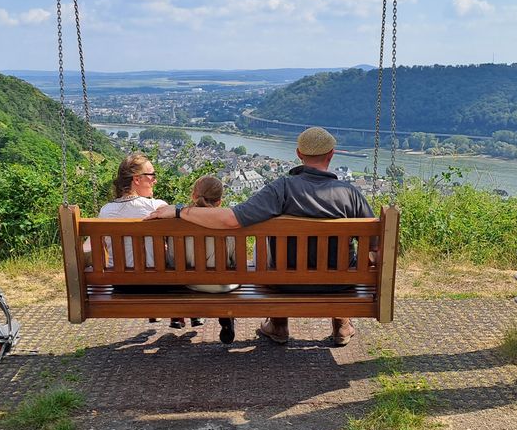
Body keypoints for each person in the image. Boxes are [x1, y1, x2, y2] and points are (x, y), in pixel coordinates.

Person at [146, 126, 372, 346]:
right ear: (331, 154)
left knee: (275, 258)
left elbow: (231, 219)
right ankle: (342, 323)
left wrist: (179, 211)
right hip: (339, 284)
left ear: (299, 154)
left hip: (284, 284)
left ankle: (279, 325)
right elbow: (375, 246)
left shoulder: (281, 189)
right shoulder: (350, 194)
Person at [99, 153, 198, 330]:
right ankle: (184, 314)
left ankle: (176, 316)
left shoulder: (105, 212)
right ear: (137, 179)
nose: (155, 180)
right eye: (152, 175)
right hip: (157, 284)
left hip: (121, 285)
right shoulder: (156, 207)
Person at [183, 175, 240, 344]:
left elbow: (172, 260)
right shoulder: (228, 222)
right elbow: (236, 261)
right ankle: (226, 316)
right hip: (224, 285)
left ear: (194, 195)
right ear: (219, 201)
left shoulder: (178, 221)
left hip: (191, 283)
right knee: (225, 276)